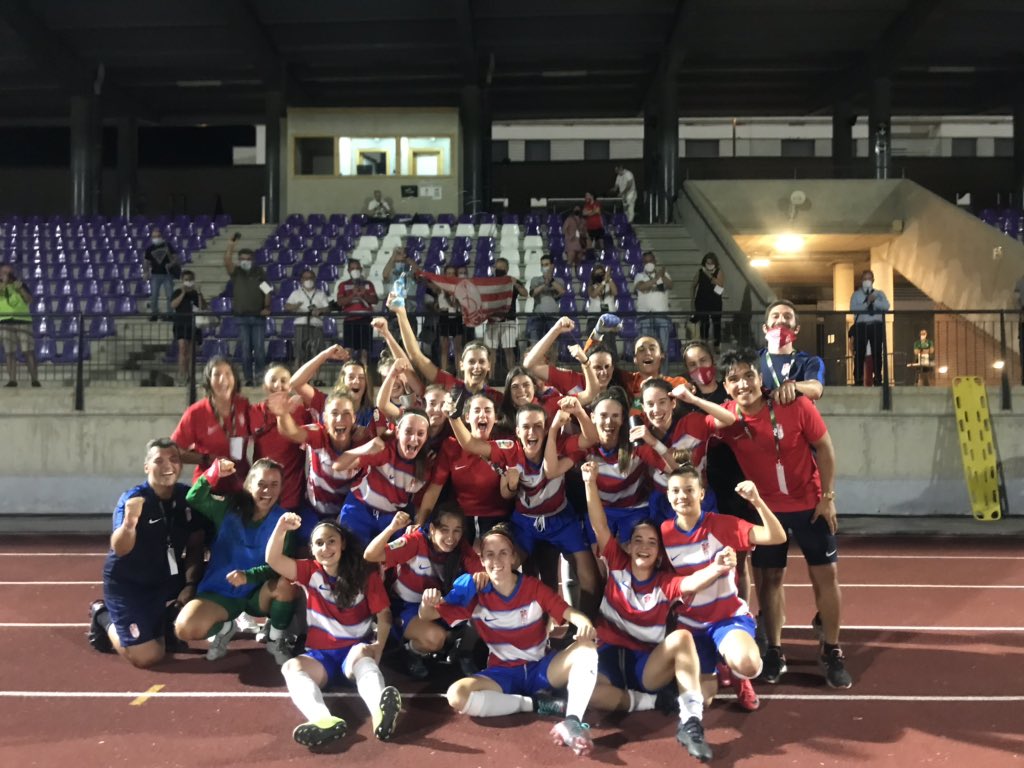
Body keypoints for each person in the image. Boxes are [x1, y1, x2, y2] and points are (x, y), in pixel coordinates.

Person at [714, 348, 852, 689]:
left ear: (761, 378)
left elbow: (826, 448)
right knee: (769, 581)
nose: (743, 384)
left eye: (749, 375)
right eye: (734, 379)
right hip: (767, 512)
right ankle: (774, 649)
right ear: (726, 387)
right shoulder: (727, 419)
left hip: (810, 504)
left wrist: (828, 497)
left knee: (825, 577)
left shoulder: (794, 405)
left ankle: (832, 650)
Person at [581, 461, 731, 762]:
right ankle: (651, 702)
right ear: (628, 545)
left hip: (645, 665)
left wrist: (716, 568)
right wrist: (589, 482)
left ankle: (690, 722)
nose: (644, 546)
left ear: (659, 552)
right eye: (638, 540)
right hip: (610, 654)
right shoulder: (616, 561)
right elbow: (599, 525)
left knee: (684, 640)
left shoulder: (665, 582)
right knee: (587, 694)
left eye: (652, 542)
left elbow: (690, 582)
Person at [419, 523, 600, 757]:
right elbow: (428, 615)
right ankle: (536, 705)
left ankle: (572, 722)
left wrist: (585, 624)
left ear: (514, 557)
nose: (497, 560)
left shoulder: (533, 587)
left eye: (503, 553)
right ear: (481, 560)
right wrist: (427, 602)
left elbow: (569, 613)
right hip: (503, 675)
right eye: (490, 555)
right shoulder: (474, 593)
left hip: (541, 669)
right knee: (456, 695)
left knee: (587, 650)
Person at [659, 465, 787, 713]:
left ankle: (741, 676)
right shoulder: (663, 533)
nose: (682, 496)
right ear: (667, 495)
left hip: (726, 619)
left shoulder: (721, 525)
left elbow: (776, 536)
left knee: (748, 663)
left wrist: (757, 501)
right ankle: (720, 664)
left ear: (701, 494)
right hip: (691, 626)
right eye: (675, 490)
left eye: (689, 490)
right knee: (703, 700)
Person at [269, 515, 402, 750]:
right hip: (321, 657)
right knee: (291, 667)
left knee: (363, 656)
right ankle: (322, 720)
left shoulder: (364, 574)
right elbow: (273, 559)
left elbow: (384, 615)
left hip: (353, 654)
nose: (325, 548)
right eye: (319, 543)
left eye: (331, 541)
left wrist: (378, 650)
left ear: (343, 544)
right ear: (312, 549)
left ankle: (380, 715)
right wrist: (281, 528)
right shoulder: (310, 571)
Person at [88, 438, 205, 668]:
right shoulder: (133, 499)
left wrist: (190, 585)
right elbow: (120, 548)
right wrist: (130, 524)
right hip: (130, 584)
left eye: (173, 459)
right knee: (148, 656)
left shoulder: (188, 498)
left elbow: (196, 545)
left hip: (165, 577)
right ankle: (102, 615)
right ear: (146, 467)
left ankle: (166, 621)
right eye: (158, 460)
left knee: (216, 576)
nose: (167, 466)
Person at [173, 458, 297, 664]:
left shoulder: (285, 520)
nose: (267, 490)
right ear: (248, 484)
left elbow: (280, 567)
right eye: (261, 484)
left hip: (258, 593)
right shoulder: (229, 508)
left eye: (274, 485)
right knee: (184, 628)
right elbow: (194, 497)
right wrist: (214, 473)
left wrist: (249, 577)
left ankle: (276, 640)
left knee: (285, 584)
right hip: (221, 591)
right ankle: (226, 628)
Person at [364, 508, 483, 679]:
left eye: (456, 531)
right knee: (436, 638)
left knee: (482, 600)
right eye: (444, 530)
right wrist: (392, 528)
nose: (451, 538)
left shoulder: (461, 548)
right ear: (432, 529)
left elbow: (482, 573)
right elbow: (370, 555)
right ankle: (410, 651)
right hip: (405, 606)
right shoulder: (415, 541)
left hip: (435, 606)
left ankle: (463, 651)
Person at [332, 409, 433, 546]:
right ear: (397, 432)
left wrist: (416, 525)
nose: (414, 439)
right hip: (360, 508)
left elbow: (419, 504)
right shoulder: (384, 451)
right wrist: (366, 448)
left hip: (390, 518)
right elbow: (338, 465)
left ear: (426, 437)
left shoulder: (425, 466)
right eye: (408, 432)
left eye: (420, 434)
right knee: (351, 555)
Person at [172, 356, 252, 495]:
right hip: (208, 489)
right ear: (208, 380)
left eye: (228, 374)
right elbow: (173, 450)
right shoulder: (196, 412)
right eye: (217, 374)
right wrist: (206, 459)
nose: (223, 380)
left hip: (240, 486)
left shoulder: (243, 405)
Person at [224, 235, 271, 386]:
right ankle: (249, 378)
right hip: (241, 317)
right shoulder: (236, 272)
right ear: (239, 259)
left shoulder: (259, 273)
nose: (245, 261)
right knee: (245, 351)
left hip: (258, 317)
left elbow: (267, 292)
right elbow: (227, 261)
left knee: (259, 351)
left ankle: (259, 377)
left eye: (248, 258)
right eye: (243, 258)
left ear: (252, 260)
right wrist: (231, 244)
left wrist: (267, 307)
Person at [759, 300, 825, 402]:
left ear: (797, 329)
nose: (781, 320)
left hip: (795, 417)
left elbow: (816, 389)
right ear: (765, 328)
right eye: (775, 316)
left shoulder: (809, 361)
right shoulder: (752, 360)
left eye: (787, 316)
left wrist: (793, 386)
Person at [483, 257, 528, 377]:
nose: (499, 270)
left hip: (508, 321)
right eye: (497, 268)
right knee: (491, 352)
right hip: (493, 320)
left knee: (509, 351)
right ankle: (490, 378)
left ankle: (512, 377)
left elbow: (525, 294)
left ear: (507, 269)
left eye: (502, 268)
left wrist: (515, 283)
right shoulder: (490, 283)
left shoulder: (512, 281)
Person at [0, 264, 40, 387]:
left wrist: (21, 290)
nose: (7, 274)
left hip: (23, 320)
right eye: (4, 272)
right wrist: (5, 283)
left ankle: (34, 379)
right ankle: (12, 380)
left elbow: (29, 300)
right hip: (5, 321)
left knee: (28, 350)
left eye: (9, 272)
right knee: (9, 352)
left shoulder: (20, 284)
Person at [634, 251, 674, 372]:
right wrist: (656, 279)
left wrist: (661, 276)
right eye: (646, 261)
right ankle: (647, 375)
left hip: (662, 316)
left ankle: (663, 375)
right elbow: (641, 287)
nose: (648, 263)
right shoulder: (639, 276)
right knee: (645, 349)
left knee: (663, 350)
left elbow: (670, 285)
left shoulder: (664, 274)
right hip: (644, 316)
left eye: (650, 261)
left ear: (655, 262)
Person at [850, 269, 890, 386]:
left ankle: (878, 379)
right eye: (864, 279)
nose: (867, 281)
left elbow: (886, 306)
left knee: (877, 353)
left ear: (873, 280)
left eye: (869, 279)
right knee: (860, 353)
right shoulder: (856, 295)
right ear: (861, 280)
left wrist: (874, 301)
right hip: (862, 326)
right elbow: (853, 308)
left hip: (876, 325)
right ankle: (858, 379)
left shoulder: (879, 294)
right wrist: (867, 303)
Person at [286, 268, 331, 370]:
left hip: (316, 325)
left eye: (310, 278)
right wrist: (295, 306)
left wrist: (319, 310)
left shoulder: (320, 293)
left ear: (314, 279)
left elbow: (328, 308)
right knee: (299, 353)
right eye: (305, 278)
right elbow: (287, 306)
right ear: (301, 280)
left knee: (317, 354)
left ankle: (317, 380)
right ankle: (297, 378)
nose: (308, 280)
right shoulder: (296, 293)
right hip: (300, 325)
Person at [336, 259, 378, 369]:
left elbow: (374, 300)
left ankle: (365, 377)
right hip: (350, 321)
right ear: (349, 270)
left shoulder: (368, 284)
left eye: (357, 268)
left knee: (364, 352)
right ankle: (345, 377)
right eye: (353, 268)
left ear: (361, 269)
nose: (355, 270)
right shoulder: (343, 285)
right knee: (348, 351)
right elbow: (340, 302)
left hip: (366, 320)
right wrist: (352, 295)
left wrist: (364, 295)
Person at [170, 269, 205, 385]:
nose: (188, 282)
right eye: (186, 280)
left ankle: (191, 376)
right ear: (182, 280)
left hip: (193, 325)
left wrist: (199, 293)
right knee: (182, 349)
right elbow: (173, 305)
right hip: (181, 325)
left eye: (190, 280)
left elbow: (202, 307)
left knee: (191, 352)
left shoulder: (195, 294)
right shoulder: (177, 292)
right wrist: (183, 293)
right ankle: (182, 376)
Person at [431, 265, 464, 373]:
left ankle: (459, 374)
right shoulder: (440, 287)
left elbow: (458, 304)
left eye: (452, 273)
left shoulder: (459, 287)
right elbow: (436, 302)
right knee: (444, 348)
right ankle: (444, 373)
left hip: (456, 317)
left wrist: (449, 297)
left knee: (458, 348)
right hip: (444, 317)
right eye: (448, 273)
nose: (450, 275)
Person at [528, 255, 567, 347]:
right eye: (542, 265)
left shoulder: (559, 280)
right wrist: (544, 284)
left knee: (553, 345)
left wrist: (551, 280)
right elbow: (532, 293)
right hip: (538, 317)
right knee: (535, 344)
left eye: (546, 264)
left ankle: (553, 362)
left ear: (552, 266)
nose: (544, 267)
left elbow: (562, 291)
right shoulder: (535, 280)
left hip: (553, 317)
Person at [144, 226, 179, 321]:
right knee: (154, 296)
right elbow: (146, 261)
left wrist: (170, 264)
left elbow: (175, 258)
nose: (155, 238)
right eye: (154, 237)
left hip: (167, 274)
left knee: (170, 295)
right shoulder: (149, 248)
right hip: (155, 275)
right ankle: (154, 314)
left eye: (157, 236)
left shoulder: (168, 246)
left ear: (161, 236)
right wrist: (146, 272)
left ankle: (170, 314)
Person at [691, 252, 724, 348]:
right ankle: (704, 344)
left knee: (716, 322)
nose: (709, 265)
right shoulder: (700, 272)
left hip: (715, 301)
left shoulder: (719, 272)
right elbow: (693, 285)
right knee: (704, 323)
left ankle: (716, 344)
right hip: (702, 300)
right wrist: (692, 299)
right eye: (707, 263)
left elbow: (720, 284)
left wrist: (709, 274)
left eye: (711, 263)